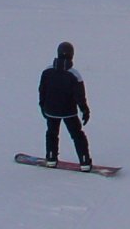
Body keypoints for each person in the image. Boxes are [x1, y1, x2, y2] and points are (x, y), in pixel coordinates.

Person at [38, 41, 92, 171]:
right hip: (69, 111)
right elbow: (80, 96)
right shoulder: (74, 74)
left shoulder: (47, 71)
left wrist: (42, 107)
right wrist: (85, 110)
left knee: (51, 133)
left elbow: (42, 91)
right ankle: (84, 162)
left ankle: (51, 158)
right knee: (78, 135)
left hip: (51, 110)